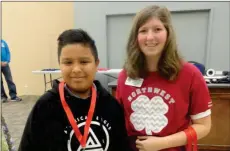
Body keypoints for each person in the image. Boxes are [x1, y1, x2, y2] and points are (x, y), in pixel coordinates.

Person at [116, 5, 212, 151]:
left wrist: (163, 143)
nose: (150, 37)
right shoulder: (125, 75)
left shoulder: (190, 74)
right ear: (135, 37)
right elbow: (121, 121)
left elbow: (203, 126)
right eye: (143, 31)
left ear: (168, 33)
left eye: (157, 29)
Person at [18, 29, 131, 151]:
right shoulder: (45, 107)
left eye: (84, 61)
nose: (76, 69)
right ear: (60, 64)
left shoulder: (111, 106)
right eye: (68, 62)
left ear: (96, 64)